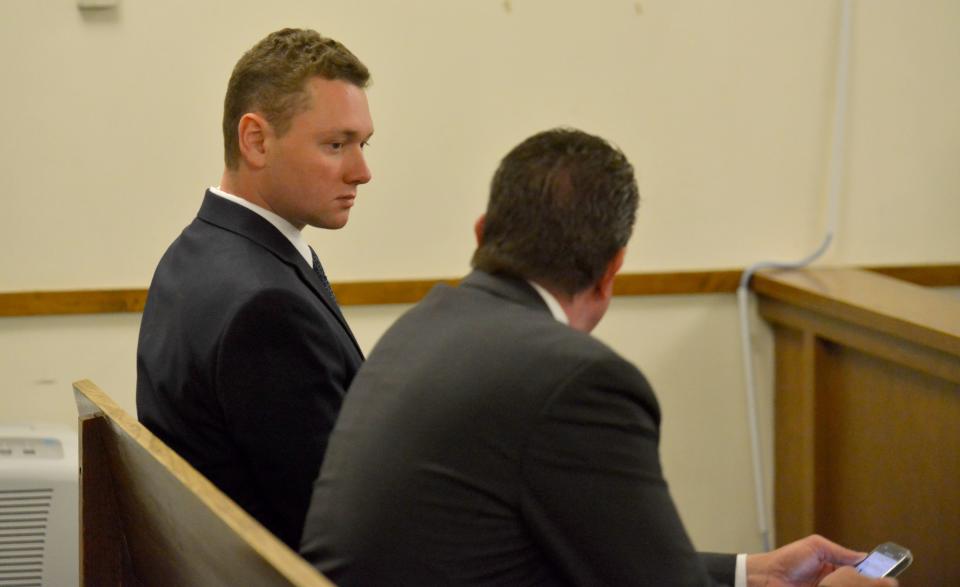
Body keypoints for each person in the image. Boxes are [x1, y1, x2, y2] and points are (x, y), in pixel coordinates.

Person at [299, 128, 894, 586]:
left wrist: (750, 573)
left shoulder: (424, 325)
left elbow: (607, 557)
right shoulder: (578, 381)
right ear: (612, 272)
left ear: (481, 234)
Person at [136, 28, 373, 549]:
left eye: (363, 144)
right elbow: (333, 525)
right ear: (257, 140)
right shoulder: (267, 308)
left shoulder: (195, 250)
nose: (362, 172)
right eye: (336, 145)